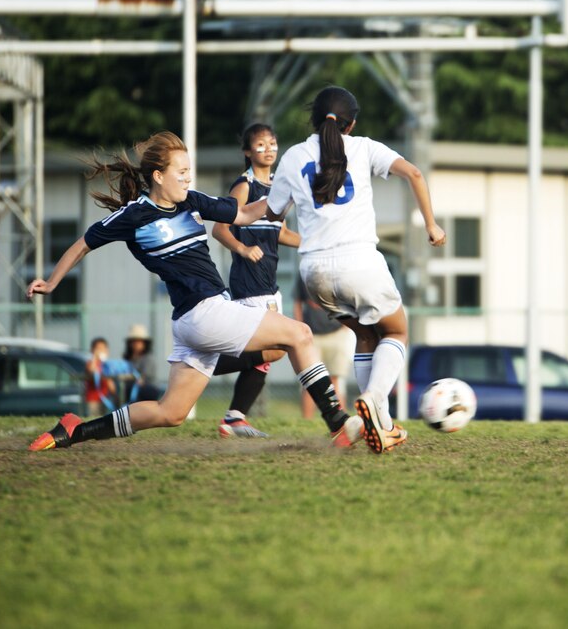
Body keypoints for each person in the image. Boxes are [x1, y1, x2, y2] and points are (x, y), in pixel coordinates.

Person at [25, 131, 363, 451]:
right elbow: (83, 243)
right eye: (182, 171)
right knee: (300, 334)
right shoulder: (135, 215)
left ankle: (74, 431)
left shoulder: (192, 202)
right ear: (158, 176)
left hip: (192, 321)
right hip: (205, 314)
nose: (188, 177)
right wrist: (52, 282)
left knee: (170, 413)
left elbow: (244, 213)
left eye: (190, 171)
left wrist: (286, 195)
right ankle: (337, 422)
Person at [265, 86, 447, 454]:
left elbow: (272, 214)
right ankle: (374, 399)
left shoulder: (293, 156)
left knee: (366, 336)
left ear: (313, 118)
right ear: (352, 124)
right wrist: (431, 225)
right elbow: (413, 173)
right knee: (396, 330)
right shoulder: (363, 147)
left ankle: (381, 425)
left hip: (314, 271)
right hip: (360, 262)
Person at [211, 123, 300, 439]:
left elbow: (281, 232)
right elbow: (220, 229)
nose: (269, 149)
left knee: (267, 354)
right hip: (250, 284)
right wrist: (243, 248)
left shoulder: (278, 186)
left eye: (273, 143)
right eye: (260, 144)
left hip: (269, 283)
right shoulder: (244, 186)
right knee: (276, 348)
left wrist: (313, 242)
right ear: (248, 152)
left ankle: (235, 418)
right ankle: (205, 363)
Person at [294, 278, 355, 418]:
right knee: (310, 381)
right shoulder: (304, 272)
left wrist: (347, 325)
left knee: (335, 381)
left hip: (337, 334)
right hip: (312, 336)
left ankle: (341, 420)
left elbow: (349, 300)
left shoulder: (337, 272)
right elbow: (298, 302)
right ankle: (307, 421)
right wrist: (299, 328)